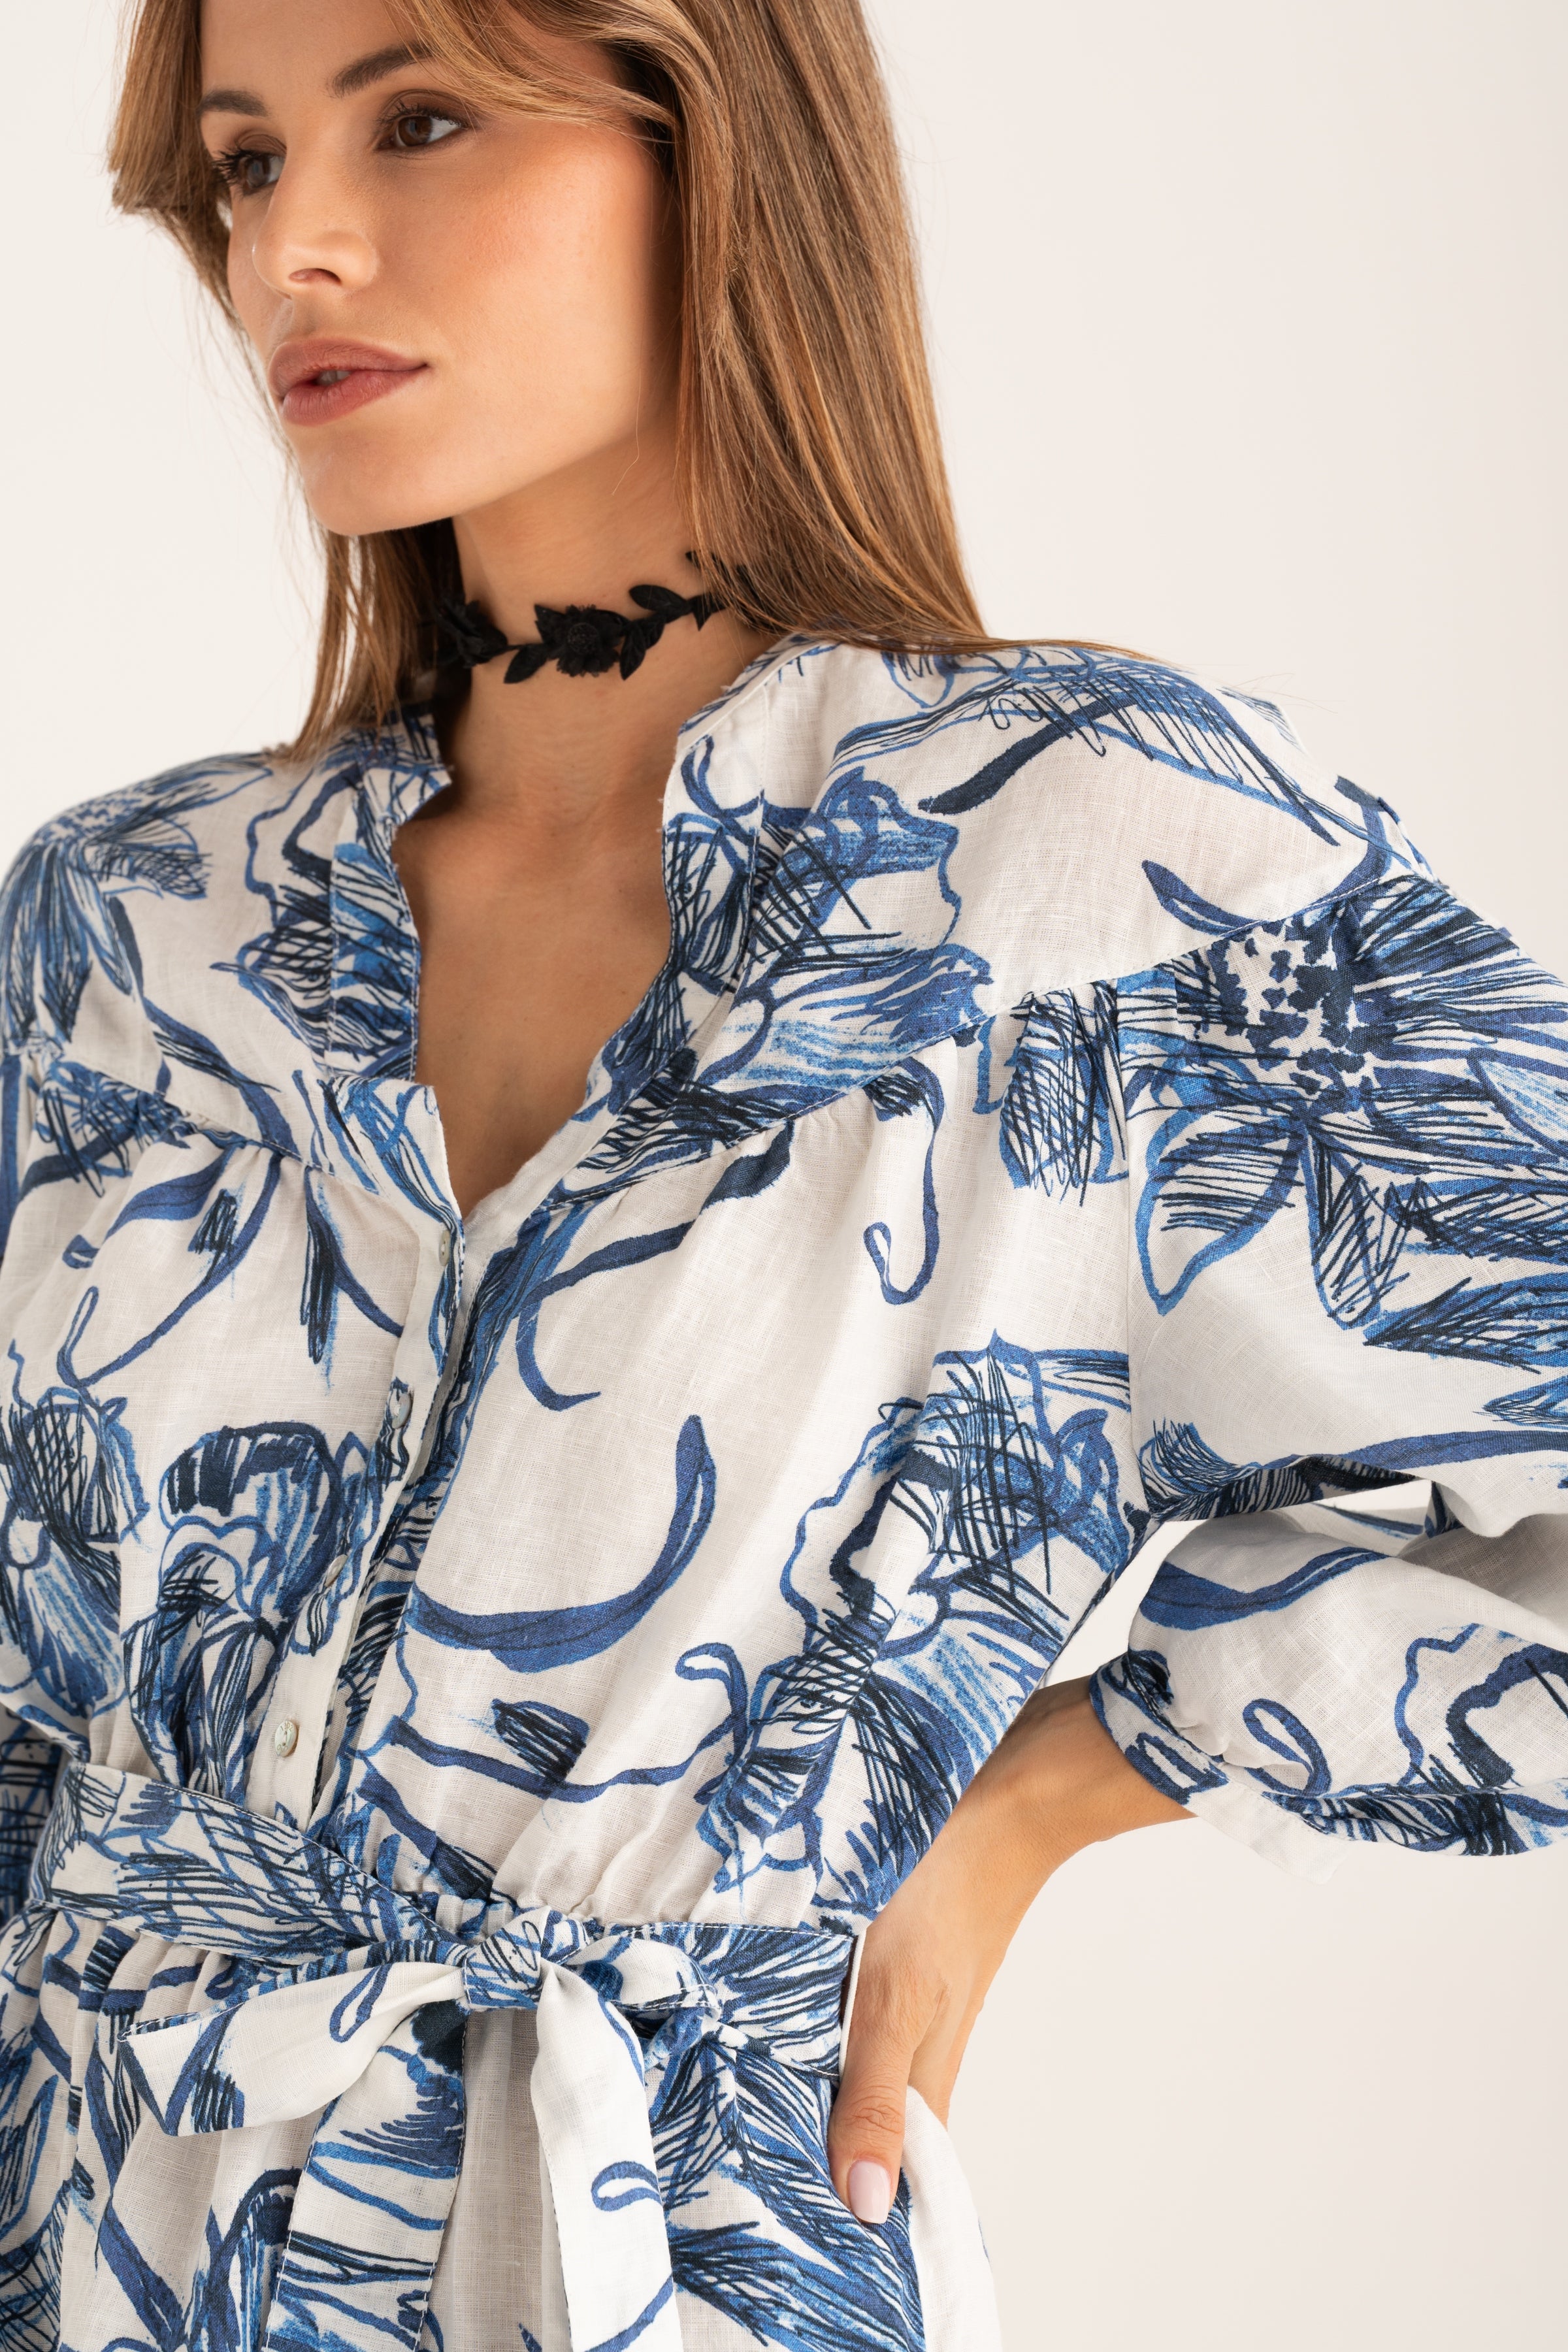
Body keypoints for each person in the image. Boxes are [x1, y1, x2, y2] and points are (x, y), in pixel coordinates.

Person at [4, 0, 1568, 2344]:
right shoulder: (134, 923)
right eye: (242, 165)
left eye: (419, 119)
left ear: (711, 141)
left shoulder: (1086, 860)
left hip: (664, 2256)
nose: (292, 247)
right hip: (86, 2228)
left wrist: (1056, 1790)